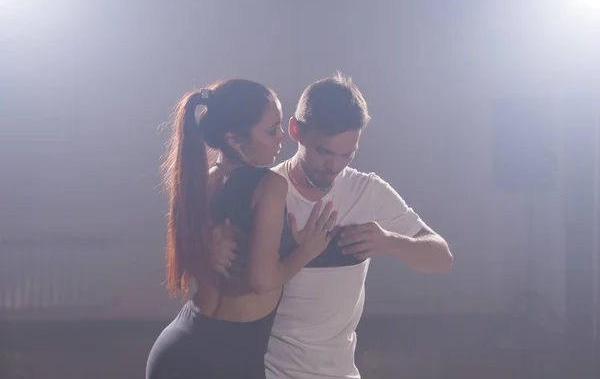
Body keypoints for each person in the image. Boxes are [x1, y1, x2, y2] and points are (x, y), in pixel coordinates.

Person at [212, 72, 454, 378]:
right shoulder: (265, 190)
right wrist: (210, 252)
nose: (335, 167)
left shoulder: (368, 191)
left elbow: (442, 259)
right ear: (295, 130)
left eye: (347, 154)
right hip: (267, 371)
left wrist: (393, 241)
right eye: (324, 152)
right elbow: (219, 286)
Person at [146, 79, 337, 379]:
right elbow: (262, 281)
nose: (282, 139)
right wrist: (305, 252)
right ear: (234, 140)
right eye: (272, 131)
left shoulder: (203, 179)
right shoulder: (271, 185)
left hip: (178, 345)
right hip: (227, 358)